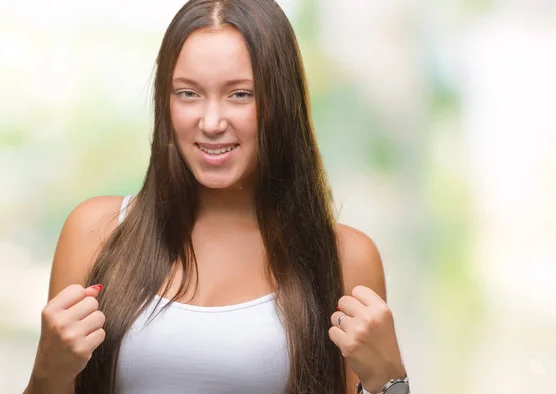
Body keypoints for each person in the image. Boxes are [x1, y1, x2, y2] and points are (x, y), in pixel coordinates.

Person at [23, 1, 409, 393]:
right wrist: (46, 375)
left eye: (240, 95)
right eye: (188, 93)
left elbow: (379, 381)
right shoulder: (96, 231)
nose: (210, 123)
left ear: (281, 101)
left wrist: (390, 381)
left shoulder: (346, 258)